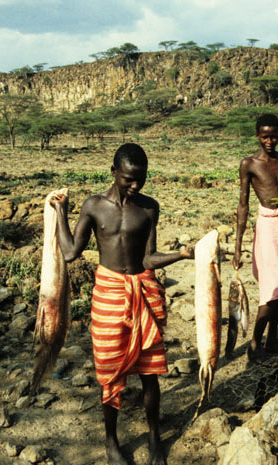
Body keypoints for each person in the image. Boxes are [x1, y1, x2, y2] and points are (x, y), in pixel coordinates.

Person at [50, 143, 193, 465]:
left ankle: (155, 435)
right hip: (109, 294)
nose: (135, 185)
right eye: (129, 179)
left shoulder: (149, 208)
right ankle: (111, 441)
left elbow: (149, 258)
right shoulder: (94, 206)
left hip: (142, 291)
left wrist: (182, 254)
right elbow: (71, 252)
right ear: (114, 172)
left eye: (140, 179)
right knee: (110, 372)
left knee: (150, 371)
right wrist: (60, 212)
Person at [233, 114, 278, 364]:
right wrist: (238, 247)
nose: (269, 141)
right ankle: (254, 344)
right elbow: (243, 206)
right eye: (264, 136)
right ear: (257, 136)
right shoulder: (249, 164)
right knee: (270, 289)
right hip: (267, 227)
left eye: (273, 136)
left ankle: (271, 339)